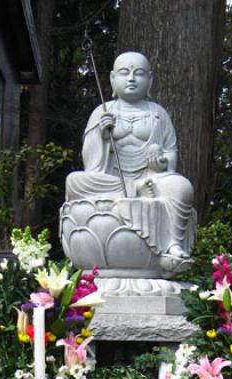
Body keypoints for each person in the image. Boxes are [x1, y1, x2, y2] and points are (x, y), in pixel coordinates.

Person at [63, 52, 196, 268]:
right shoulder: (103, 112)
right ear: (113, 79)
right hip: (113, 179)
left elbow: (171, 156)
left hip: (151, 180)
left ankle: (172, 245)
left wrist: (161, 161)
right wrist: (101, 136)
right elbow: (90, 163)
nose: (132, 78)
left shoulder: (158, 114)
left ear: (150, 80)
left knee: (181, 187)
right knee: (75, 180)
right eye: (125, 73)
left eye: (139, 73)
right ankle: (134, 191)